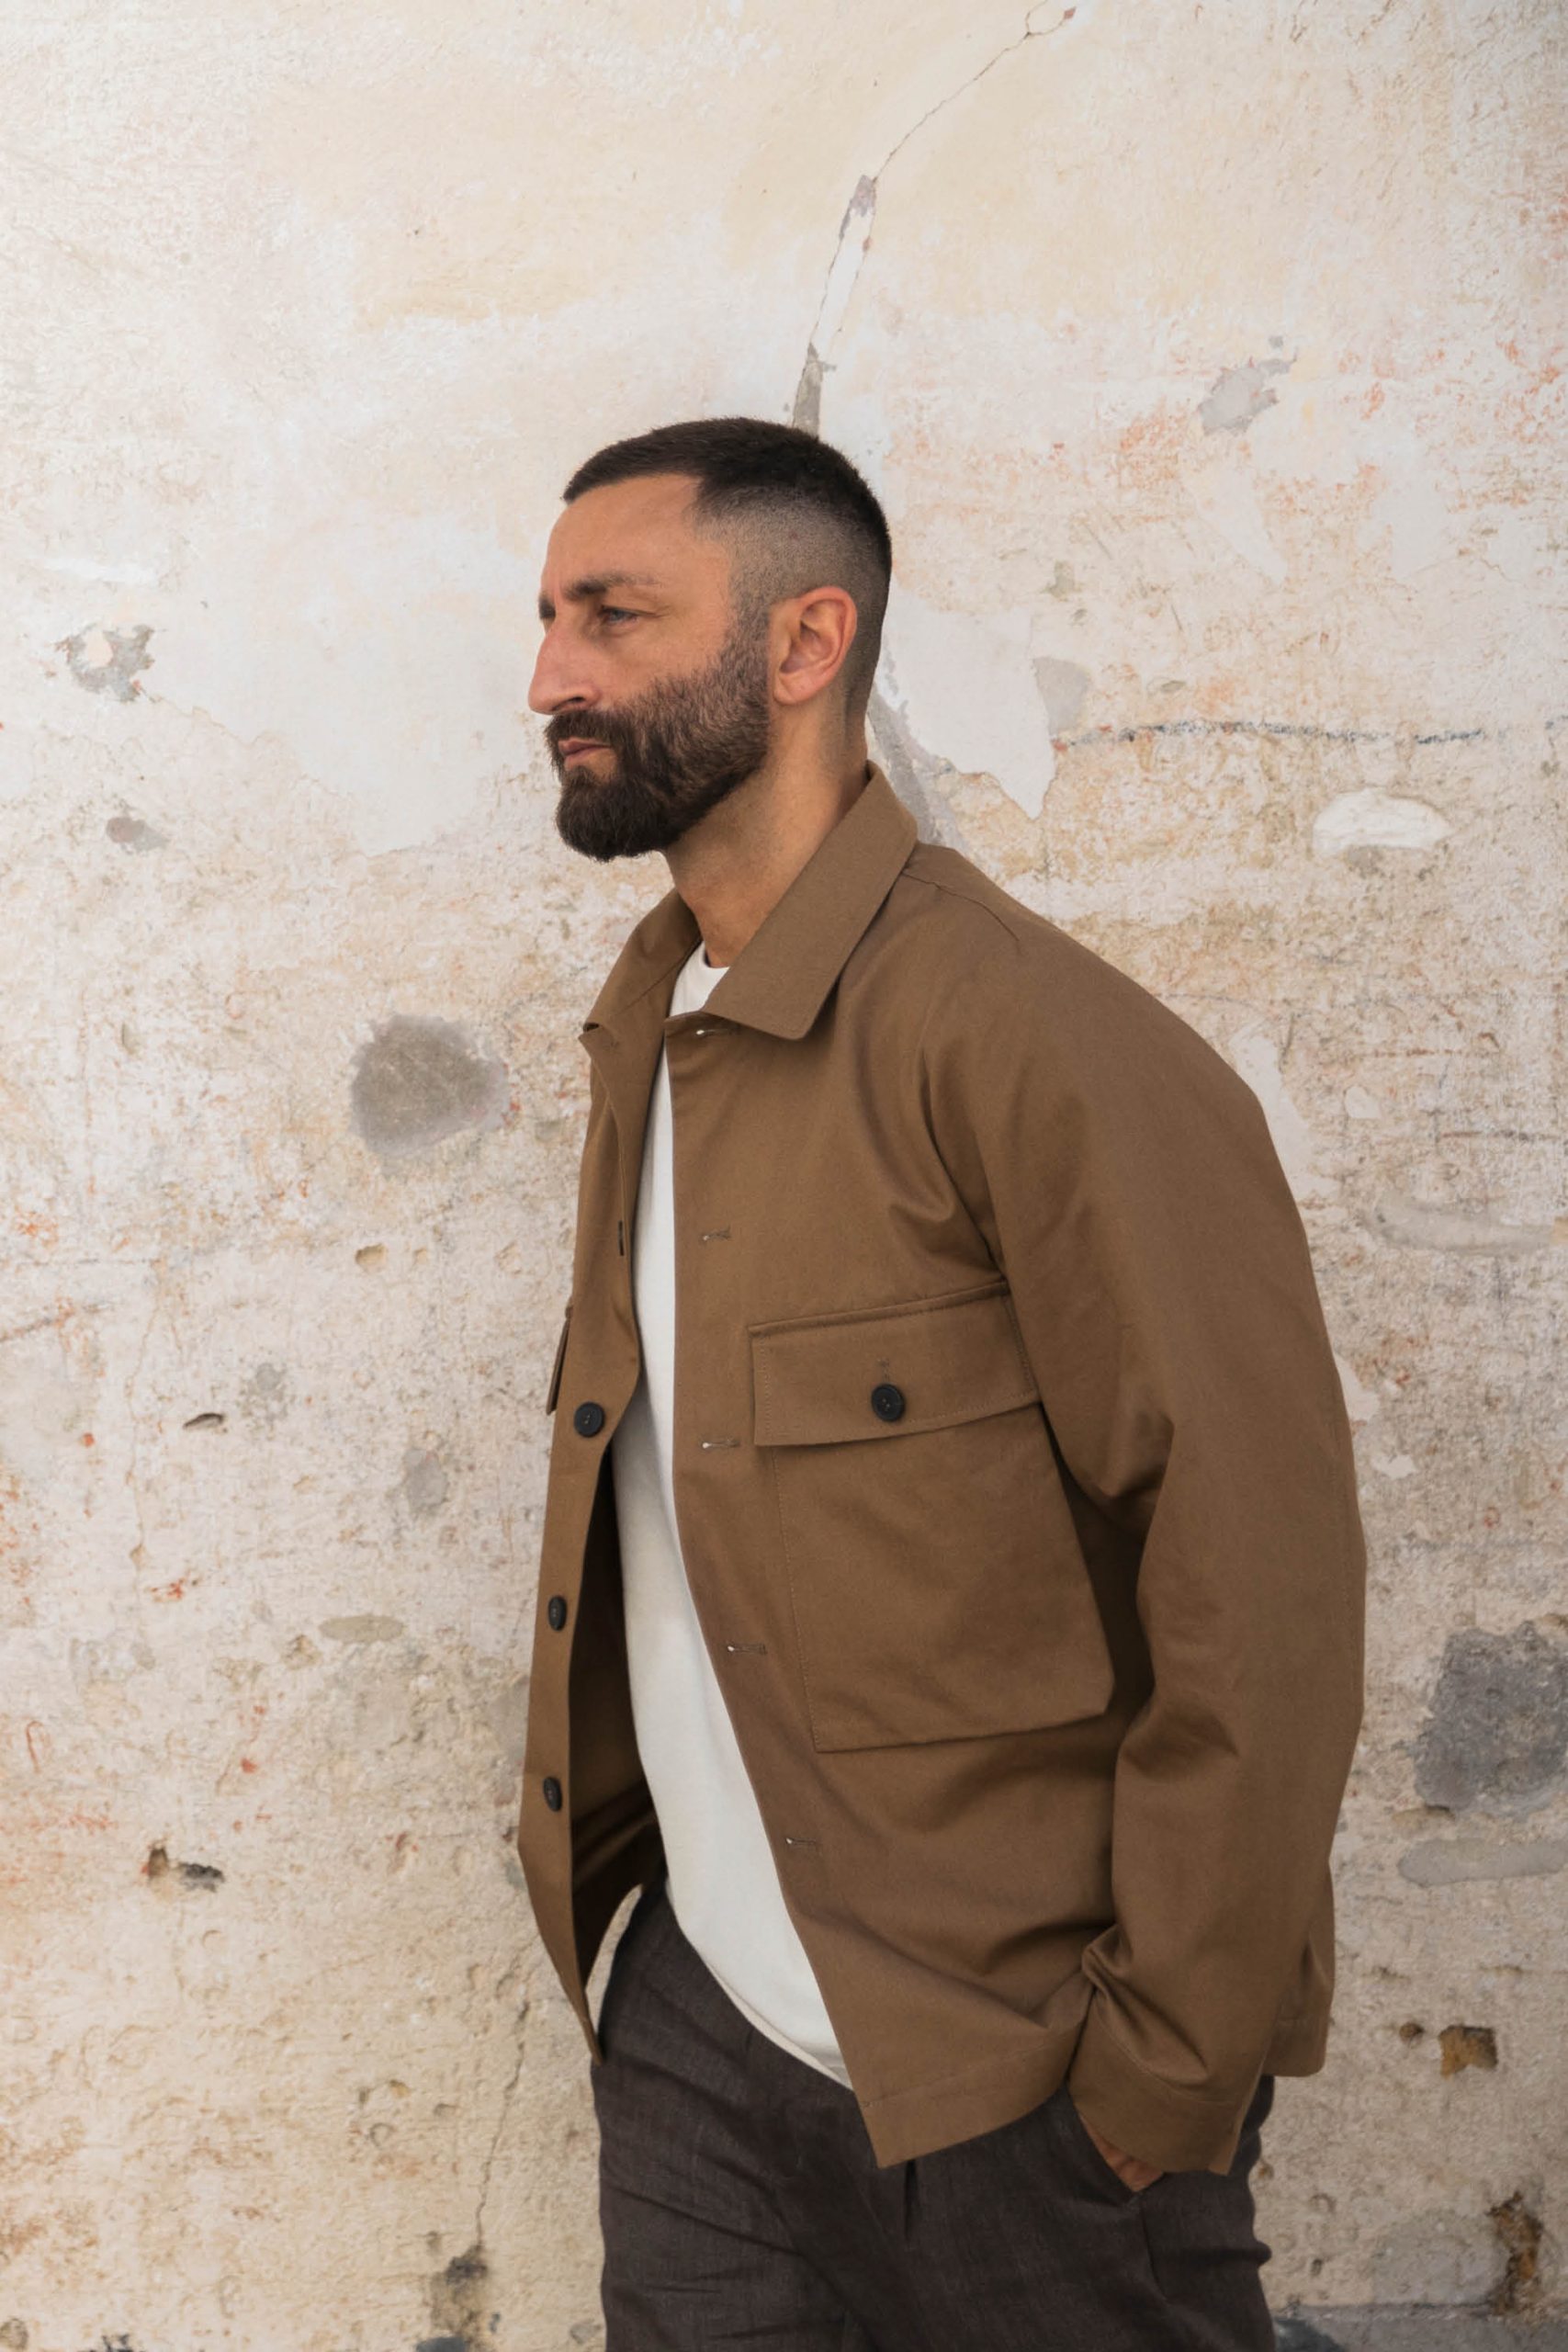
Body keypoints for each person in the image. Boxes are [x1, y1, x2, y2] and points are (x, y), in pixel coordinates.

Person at [516, 414, 1366, 2349]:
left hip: (1016, 2066)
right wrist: (658, 1972)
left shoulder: (1030, 1040)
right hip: (707, 2033)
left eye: (613, 616)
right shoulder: (655, 1027)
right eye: (550, 619)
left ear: (805, 644)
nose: (551, 676)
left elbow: (1259, 1579)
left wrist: (1157, 2071)